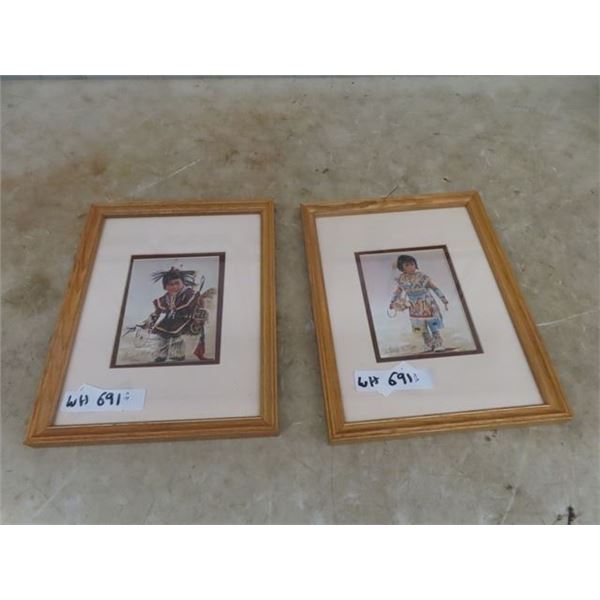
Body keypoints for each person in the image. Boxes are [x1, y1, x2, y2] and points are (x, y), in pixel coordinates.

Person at [141, 267, 208, 362]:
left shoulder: (189, 293)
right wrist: (151, 320)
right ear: (165, 287)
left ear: (182, 283)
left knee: (176, 337)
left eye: (177, 283)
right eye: (170, 284)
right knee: (162, 336)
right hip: (169, 320)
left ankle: (177, 355)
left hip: (185, 319)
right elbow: (158, 310)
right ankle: (161, 355)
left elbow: (192, 305)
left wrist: (198, 317)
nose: (174, 287)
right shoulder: (166, 297)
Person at [389, 254, 449, 352]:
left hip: (427, 304)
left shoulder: (422, 277)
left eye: (412, 264)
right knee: (420, 327)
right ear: (401, 267)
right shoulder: (402, 279)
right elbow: (397, 292)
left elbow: (434, 288)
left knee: (432, 324)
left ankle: (438, 344)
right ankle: (429, 344)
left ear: (415, 264)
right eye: (407, 265)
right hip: (414, 306)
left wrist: (443, 299)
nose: (411, 267)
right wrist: (392, 302)